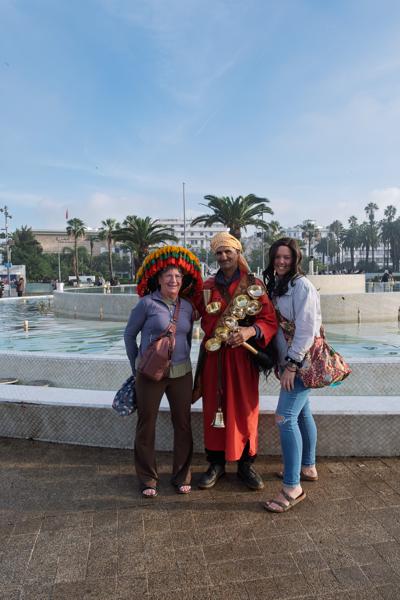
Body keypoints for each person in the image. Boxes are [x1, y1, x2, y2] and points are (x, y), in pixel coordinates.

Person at [195, 232, 278, 491]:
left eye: (228, 251)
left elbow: (269, 320)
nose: (223, 257)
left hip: (242, 357)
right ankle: (216, 463)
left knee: (245, 407)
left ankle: (245, 464)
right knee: (214, 407)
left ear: (237, 253)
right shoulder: (207, 286)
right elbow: (197, 315)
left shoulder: (253, 285)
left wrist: (248, 332)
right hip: (215, 359)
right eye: (219, 252)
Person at [124, 246, 202, 498]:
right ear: (158, 278)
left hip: (181, 374)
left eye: (178, 276)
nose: (173, 280)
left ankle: (182, 475)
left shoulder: (188, 307)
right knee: (147, 424)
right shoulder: (146, 304)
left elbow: (188, 339)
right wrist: (135, 366)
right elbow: (129, 335)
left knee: (183, 424)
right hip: (150, 375)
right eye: (168, 275)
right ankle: (148, 477)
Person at [262, 237, 320, 513]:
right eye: (277, 258)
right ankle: (307, 466)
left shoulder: (301, 286)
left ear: (295, 259)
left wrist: (292, 365)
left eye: (286, 257)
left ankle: (292, 487)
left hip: (301, 363)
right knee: (303, 413)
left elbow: (308, 330)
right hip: (291, 360)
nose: (281, 262)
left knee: (284, 418)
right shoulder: (279, 285)